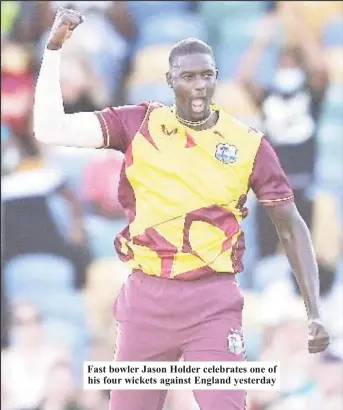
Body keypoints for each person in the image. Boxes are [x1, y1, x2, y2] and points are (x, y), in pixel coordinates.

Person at [33, 7, 330, 410]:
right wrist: (53, 50)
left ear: (216, 79)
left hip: (213, 301)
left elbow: (290, 224)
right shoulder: (140, 124)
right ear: (169, 80)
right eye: (187, 76)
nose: (198, 85)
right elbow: (50, 128)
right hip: (147, 299)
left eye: (206, 75)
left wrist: (314, 311)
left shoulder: (247, 144)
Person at [236, 12, 334, 296]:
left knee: (304, 260)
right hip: (271, 192)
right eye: (283, 61)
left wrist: (300, 28)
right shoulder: (269, 98)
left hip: (301, 190)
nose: (286, 66)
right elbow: (243, 79)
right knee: (267, 260)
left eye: (292, 62)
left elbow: (321, 70)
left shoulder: (311, 96)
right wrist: (262, 41)